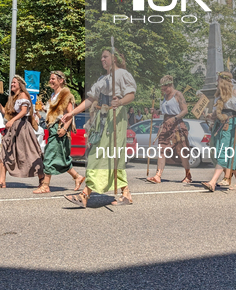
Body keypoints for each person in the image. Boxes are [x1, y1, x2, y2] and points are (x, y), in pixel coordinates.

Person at [62, 48, 136, 207]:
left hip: (116, 117)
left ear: (114, 58)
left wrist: (120, 102)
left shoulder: (123, 74)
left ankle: (85, 194)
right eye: (101, 57)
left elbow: (131, 94)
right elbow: (90, 99)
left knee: (105, 155)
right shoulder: (103, 79)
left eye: (105, 57)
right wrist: (72, 113)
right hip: (102, 117)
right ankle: (126, 193)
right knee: (103, 155)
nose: (102, 60)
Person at [0, 75, 44, 189]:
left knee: (31, 153)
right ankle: (1, 181)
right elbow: (6, 112)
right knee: (3, 151)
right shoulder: (12, 98)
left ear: (20, 85)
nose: (12, 84)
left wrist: (12, 121)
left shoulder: (23, 96)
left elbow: (24, 112)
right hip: (12, 128)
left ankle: (42, 178)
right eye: (12, 83)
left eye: (14, 82)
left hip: (22, 127)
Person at [34, 71, 85, 194]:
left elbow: (70, 114)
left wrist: (64, 128)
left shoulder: (65, 95)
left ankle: (45, 185)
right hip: (52, 129)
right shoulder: (53, 95)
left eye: (53, 79)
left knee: (48, 156)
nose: (50, 81)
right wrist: (42, 109)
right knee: (62, 159)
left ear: (61, 80)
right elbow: (54, 113)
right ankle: (77, 177)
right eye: (50, 79)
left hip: (60, 129)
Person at [202, 72, 236, 192]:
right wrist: (209, 116)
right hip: (218, 126)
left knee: (223, 152)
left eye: (218, 80)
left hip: (230, 126)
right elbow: (216, 115)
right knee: (215, 151)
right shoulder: (218, 96)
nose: (217, 82)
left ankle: (213, 182)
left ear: (223, 82)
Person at [146, 75, 192, 184]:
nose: (163, 91)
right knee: (162, 149)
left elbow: (185, 110)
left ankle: (188, 175)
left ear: (170, 85)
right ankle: (158, 175)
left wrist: (174, 118)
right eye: (162, 89)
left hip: (177, 125)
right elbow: (165, 111)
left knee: (181, 151)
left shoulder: (178, 95)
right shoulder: (165, 97)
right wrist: (157, 112)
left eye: (165, 88)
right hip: (165, 125)